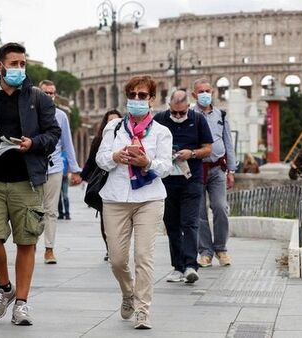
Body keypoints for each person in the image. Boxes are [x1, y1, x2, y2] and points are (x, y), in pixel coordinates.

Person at [0, 42, 61, 326]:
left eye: (22, 63)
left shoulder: (38, 98)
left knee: (26, 242)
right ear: (0, 66)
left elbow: (53, 134)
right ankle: (5, 288)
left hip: (27, 180)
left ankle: (21, 303)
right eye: (14, 63)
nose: (19, 68)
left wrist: (33, 143)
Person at [96, 75, 172, 330]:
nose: (136, 100)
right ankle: (128, 292)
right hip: (115, 197)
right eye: (132, 95)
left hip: (149, 198)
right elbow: (101, 159)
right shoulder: (114, 127)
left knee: (143, 256)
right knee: (117, 259)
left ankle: (142, 309)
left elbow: (166, 167)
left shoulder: (162, 131)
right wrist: (117, 156)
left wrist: (146, 162)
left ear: (152, 99)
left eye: (142, 96)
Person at [153, 90, 213, 284]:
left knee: (189, 222)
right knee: (172, 224)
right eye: (174, 112)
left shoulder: (198, 120)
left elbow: (208, 149)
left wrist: (192, 153)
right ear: (169, 107)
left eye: (181, 113)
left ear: (188, 107)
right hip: (167, 179)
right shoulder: (160, 119)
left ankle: (190, 266)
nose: (178, 116)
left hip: (191, 179)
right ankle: (177, 267)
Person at [192, 78, 237, 268]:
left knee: (220, 207)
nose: (204, 94)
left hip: (218, 168)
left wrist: (232, 170)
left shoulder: (221, 115)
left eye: (207, 90)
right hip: (196, 169)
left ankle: (221, 248)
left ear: (213, 92)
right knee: (199, 213)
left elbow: (228, 143)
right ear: (194, 95)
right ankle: (205, 252)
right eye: (200, 91)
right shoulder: (189, 115)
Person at [39, 80, 82, 264]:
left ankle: (49, 249)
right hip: (32, 169)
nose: (50, 96)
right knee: (33, 210)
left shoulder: (61, 116)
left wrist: (75, 170)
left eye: (52, 93)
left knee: (51, 211)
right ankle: (30, 243)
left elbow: (67, 144)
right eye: (46, 93)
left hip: (55, 167)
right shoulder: (29, 112)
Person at [80, 109, 122, 261]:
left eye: (116, 121)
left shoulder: (125, 138)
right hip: (104, 182)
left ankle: (119, 248)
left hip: (121, 183)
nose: (112, 124)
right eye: (110, 121)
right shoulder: (98, 140)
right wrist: (82, 176)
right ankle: (110, 248)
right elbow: (91, 161)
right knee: (106, 217)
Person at [58, 151, 71, 220]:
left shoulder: (66, 153)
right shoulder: (56, 152)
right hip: (57, 178)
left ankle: (67, 214)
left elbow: (69, 164)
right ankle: (60, 214)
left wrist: (69, 172)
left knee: (65, 196)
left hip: (64, 178)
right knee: (59, 197)